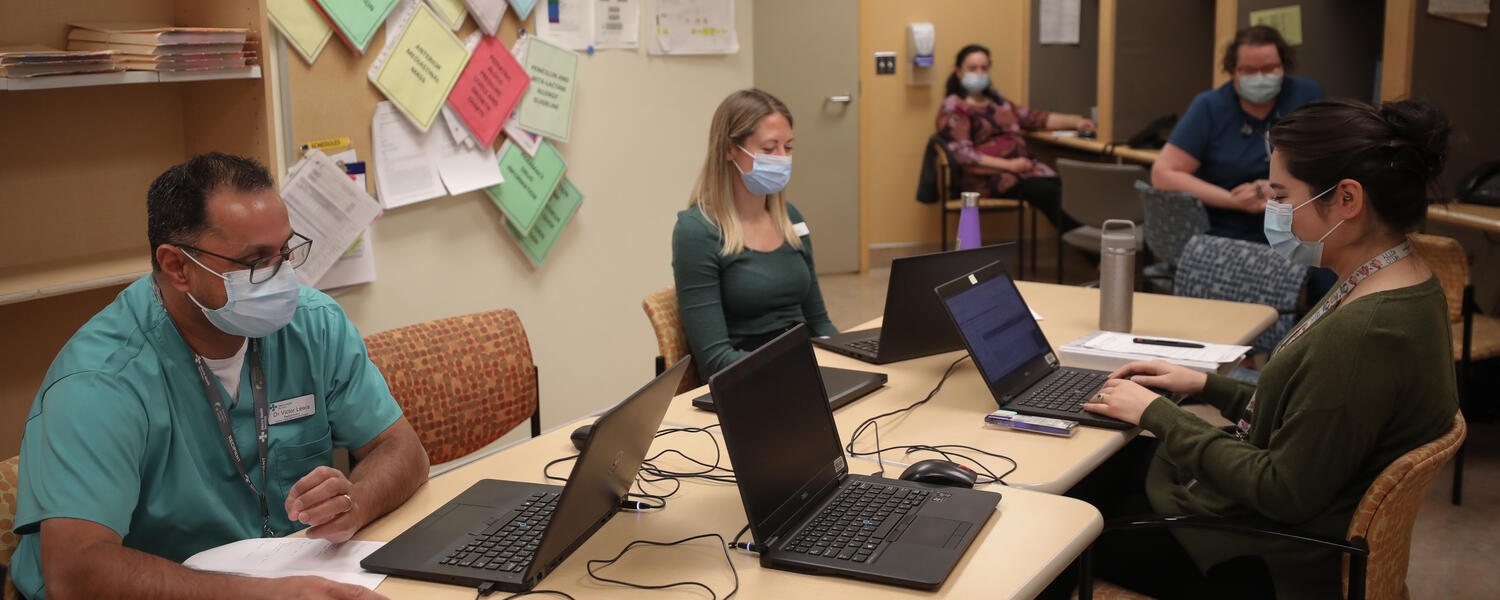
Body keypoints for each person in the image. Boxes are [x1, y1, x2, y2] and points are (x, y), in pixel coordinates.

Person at [1054, 98, 1460, 599]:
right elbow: (1317, 418)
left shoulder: (1366, 334)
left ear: (1347, 200)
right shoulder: (1394, 280)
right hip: (1278, 517)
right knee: (1101, 467)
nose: (1275, 209)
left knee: (1054, 521)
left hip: (1262, 556)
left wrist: (1160, 413)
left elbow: (1282, 489)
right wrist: (1207, 385)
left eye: (1283, 194)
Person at [10, 153, 430, 600]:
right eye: (256, 262)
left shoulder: (313, 325)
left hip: (295, 579)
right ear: (177, 267)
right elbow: (77, 574)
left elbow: (403, 449)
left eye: (285, 252)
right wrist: (267, 596)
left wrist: (357, 500)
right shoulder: (100, 381)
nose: (282, 277)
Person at [673, 89, 838, 377]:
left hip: (804, 365)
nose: (782, 158)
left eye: (788, 147)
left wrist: (846, 358)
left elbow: (819, 322)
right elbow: (714, 360)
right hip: (749, 378)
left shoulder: (790, 218)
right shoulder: (697, 232)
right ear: (729, 149)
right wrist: (797, 370)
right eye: (769, 148)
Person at [1151, 25, 1324, 243]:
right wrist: (1235, 200)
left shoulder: (1307, 95)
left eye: (1270, 68)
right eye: (1249, 70)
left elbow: (1328, 161)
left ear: (1284, 66)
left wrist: (1282, 190)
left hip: (1298, 228)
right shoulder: (1210, 107)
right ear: (1233, 70)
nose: (1260, 77)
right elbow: (1163, 173)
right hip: (1229, 234)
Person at [934, 44, 1094, 233]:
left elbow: (1033, 118)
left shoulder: (997, 101)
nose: (979, 73)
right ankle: (1095, 252)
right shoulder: (955, 107)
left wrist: (1076, 122)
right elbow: (963, 156)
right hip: (988, 178)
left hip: (1023, 172)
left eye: (984, 68)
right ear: (958, 71)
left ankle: (1095, 246)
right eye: (972, 68)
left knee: (1065, 189)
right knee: (1048, 193)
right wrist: (1010, 166)